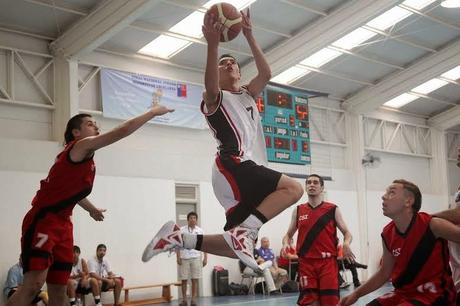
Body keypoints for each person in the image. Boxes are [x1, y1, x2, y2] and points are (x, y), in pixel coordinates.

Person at [142, 9, 303, 271]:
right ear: (217, 74)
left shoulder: (249, 95)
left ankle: (179, 237)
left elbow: (266, 73)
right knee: (294, 189)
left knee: (236, 247)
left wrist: (250, 35)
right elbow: (210, 84)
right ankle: (246, 232)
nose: (229, 65)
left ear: (239, 73)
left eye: (233, 64)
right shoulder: (215, 98)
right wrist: (213, 46)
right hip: (232, 163)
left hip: (235, 172)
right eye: (223, 64)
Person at [7, 102, 172, 306]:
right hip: (44, 220)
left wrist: (91, 209)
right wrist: (152, 112)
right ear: (76, 133)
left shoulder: (84, 161)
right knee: (33, 285)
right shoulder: (78, 147)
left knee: (59, 288)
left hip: (64, 224)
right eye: (89, 123)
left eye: (96, 123)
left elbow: (71, 193)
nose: (95, 126)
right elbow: (120, 132)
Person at [340, 179, 459, 306]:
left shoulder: (433, 224)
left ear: (408, 201)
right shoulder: (387, 233)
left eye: (391, 192)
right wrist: (356, 294)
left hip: (435, 294)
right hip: (403, 293)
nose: (384, 196)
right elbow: (384, 273)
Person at [283, 174, 355, 306]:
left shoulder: (332, 209)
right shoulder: (298, 210)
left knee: (330, 302)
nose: (311, 185)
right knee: (310, 302)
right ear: (305, 187)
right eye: (309, 182)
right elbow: (288, 235)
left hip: (327, 264)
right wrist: (285, 244)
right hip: (306, 263)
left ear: (322, 187)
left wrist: (346, 244)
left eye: (315, 182)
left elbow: (347, 233)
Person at [176, 212, 207, 306]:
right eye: (191, 218)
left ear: (196, 220)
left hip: (196, 257)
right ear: (188, 219)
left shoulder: (200, 231)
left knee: (195, 279)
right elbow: (177, 244)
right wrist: (178, 257)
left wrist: (205, 258)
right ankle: (184, 300)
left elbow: (204, 245)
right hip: (184, 257)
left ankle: (193, 299)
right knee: (184, 279)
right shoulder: (181, 230)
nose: (193, 219)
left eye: (194, 218)